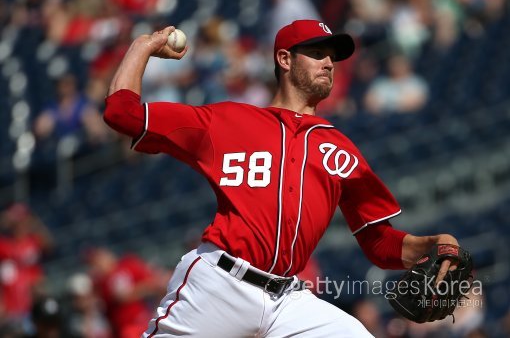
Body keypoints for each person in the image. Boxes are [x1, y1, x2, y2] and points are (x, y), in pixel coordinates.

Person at [103, 19, 462, 337]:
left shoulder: (341, 149)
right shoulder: (225, 122)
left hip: (287, 300)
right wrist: (143, 47)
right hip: (219, 285)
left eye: (332, 57)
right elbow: (123, 114)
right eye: (317, 53)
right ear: (285, 60)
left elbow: (378, 241)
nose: (328, 63)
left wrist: (430, 244)